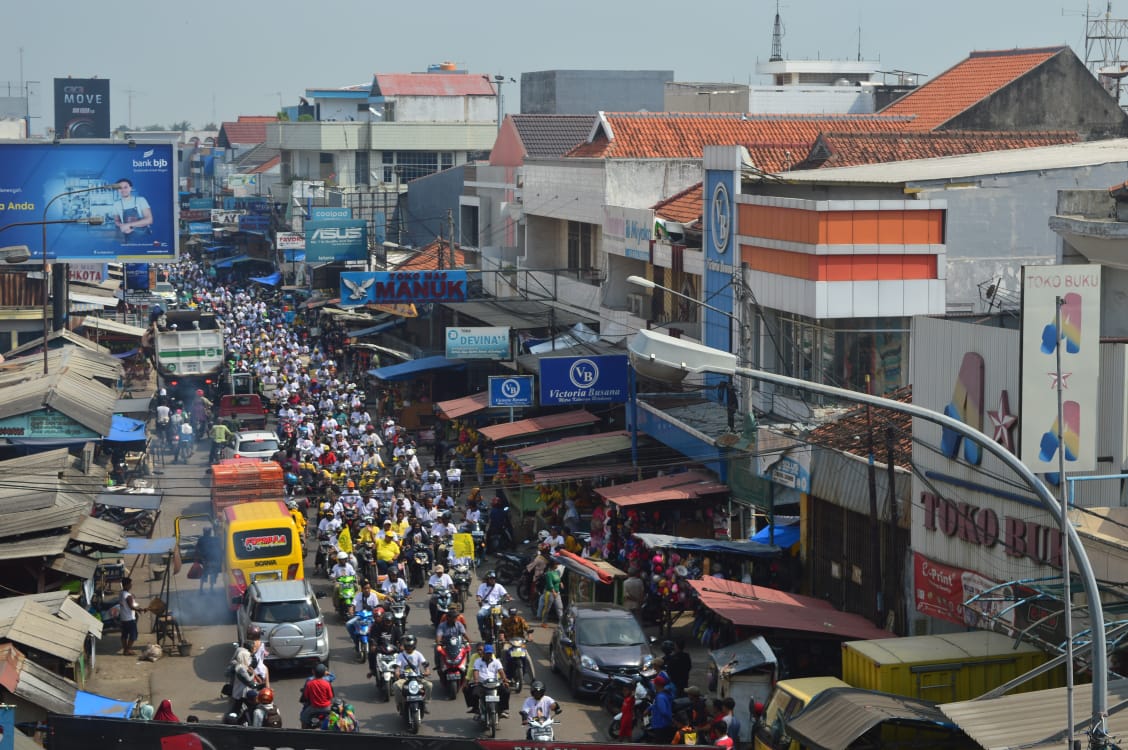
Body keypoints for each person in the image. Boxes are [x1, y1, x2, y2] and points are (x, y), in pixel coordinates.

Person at [463, 643, 510, 718]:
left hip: (495, 684)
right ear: (484, 653)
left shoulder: (496, 661)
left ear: (492, 654)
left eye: (490, 653)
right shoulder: (478, 661)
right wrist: (476, 681)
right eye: (487, 653)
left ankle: (502, 709)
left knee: (506, 691)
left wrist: (505, 680)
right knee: (474, 693)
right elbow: (475, 671)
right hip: (482, 684)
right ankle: (477, 709)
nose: (488, 655)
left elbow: (501, 671)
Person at [391, 634, 432, 713]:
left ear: (414, 646)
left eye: (410, 647)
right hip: (404, 678)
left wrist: (426, 672)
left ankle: (425, 702)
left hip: (417, 677)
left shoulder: (418, 654)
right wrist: (397, 673)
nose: (409, 649)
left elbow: (425, 665)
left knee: (429, 685)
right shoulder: (400, 655)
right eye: (407, 647)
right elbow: (397, 668)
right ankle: (399, 704)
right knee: (396, 686)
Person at [475, 570, 510, 640]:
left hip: (497, 606)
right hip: (487, 606)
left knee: (507, 616)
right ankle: (482, 630)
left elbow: (505, 594)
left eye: (494, 578)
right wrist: (479, 598)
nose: (493, 580)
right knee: (479, 615)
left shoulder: (499, 586)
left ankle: (508, 631)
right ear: (487, 579)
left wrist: (509, 597)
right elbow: (479, 595)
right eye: (491, 578)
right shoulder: (482, 586)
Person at [299, 663, 334, 728]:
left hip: (314, 708)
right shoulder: (327, 683)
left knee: (303, 718)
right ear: (324, 673)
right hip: (327, 708)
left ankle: (303, 732)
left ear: (313, 672)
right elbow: (330, 696)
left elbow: (306, 696)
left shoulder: (309, 684)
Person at [648, 674, 677, 744]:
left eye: (654, 684)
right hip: (663, 724)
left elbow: (663, 711)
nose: (654, 685)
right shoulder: (663, 695)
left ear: (658, 685)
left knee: (660, 744)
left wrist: (671, 720)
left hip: (660, 724)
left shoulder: (660, 697)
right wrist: (649, 709)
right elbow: (656, 705)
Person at [118, 577, 144, 655]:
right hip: (129, 619)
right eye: (130, 584)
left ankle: (125, 649)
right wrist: (139, 610)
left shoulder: (121, 593)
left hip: (123, 618)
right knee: (133, 635)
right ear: (126, 585)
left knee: (124, 635)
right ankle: (128, 649)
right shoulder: (128, 596)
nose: (131, 586)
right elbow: (131, 606)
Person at [194, 528, 222, 593]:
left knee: (204, 575)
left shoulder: (201, 539)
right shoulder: (215, 539)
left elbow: (197, 548)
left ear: (204, 532)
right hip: (214, 561)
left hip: (205, 561)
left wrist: (200, 558)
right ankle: (211, 589)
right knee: (212, 574)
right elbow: (219, 547)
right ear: (210, 532)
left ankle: (201, 590)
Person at [540, 559, 564, 627]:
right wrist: (553, 592)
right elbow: (550, 584)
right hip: (549, 593)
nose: (557, 565)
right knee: (547, 608)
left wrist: (561, 583)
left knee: (560, 607)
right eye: (556, 564)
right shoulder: (548, 573)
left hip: (557, 593)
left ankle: (561, 622)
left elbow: (558, 579)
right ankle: (544, 622)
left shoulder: (557, 572)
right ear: (553, 565)